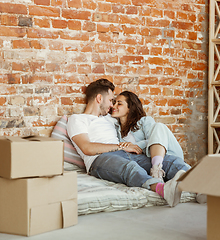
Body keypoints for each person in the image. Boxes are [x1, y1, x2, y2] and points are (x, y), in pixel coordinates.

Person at [67, 79, 190, 207]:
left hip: (125, 153)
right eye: (110, 100)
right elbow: (87, 148)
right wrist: (120, 147)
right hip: (99, 160)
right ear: (99, 98)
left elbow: (129, 118)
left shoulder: (110, 119)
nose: (111, 106)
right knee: (130, 168)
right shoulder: (77, 119)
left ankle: (201, 188)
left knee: (170, 162)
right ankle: (162, 189)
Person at [111, 91, 189, 182]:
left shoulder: (145, 121)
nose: (114, 106)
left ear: (129, 108)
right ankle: (156, 172)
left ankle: (156, 170)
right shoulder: (115, 128)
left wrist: (134, 146)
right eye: (114, 103)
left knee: (159, 126)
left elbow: (156, 138)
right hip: (145, 162)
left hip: (166, 154)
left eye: (119, 103)